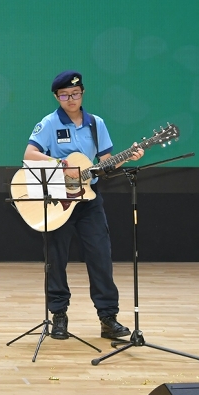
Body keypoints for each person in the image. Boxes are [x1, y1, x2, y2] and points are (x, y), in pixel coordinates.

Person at [24, 71, 141, 341]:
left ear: (83, 93)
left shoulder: (96, 124)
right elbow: (30, 154)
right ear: (56, 97)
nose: (71, 99)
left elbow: (105, 162)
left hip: (90, 201)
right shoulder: (49, 123)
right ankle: (59, 316)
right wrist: (59, 164)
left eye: (75, 94)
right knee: (56, 259)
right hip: (59, 201)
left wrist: (128, 156)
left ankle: (108, 318)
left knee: (101, 257)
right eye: (64, 95)